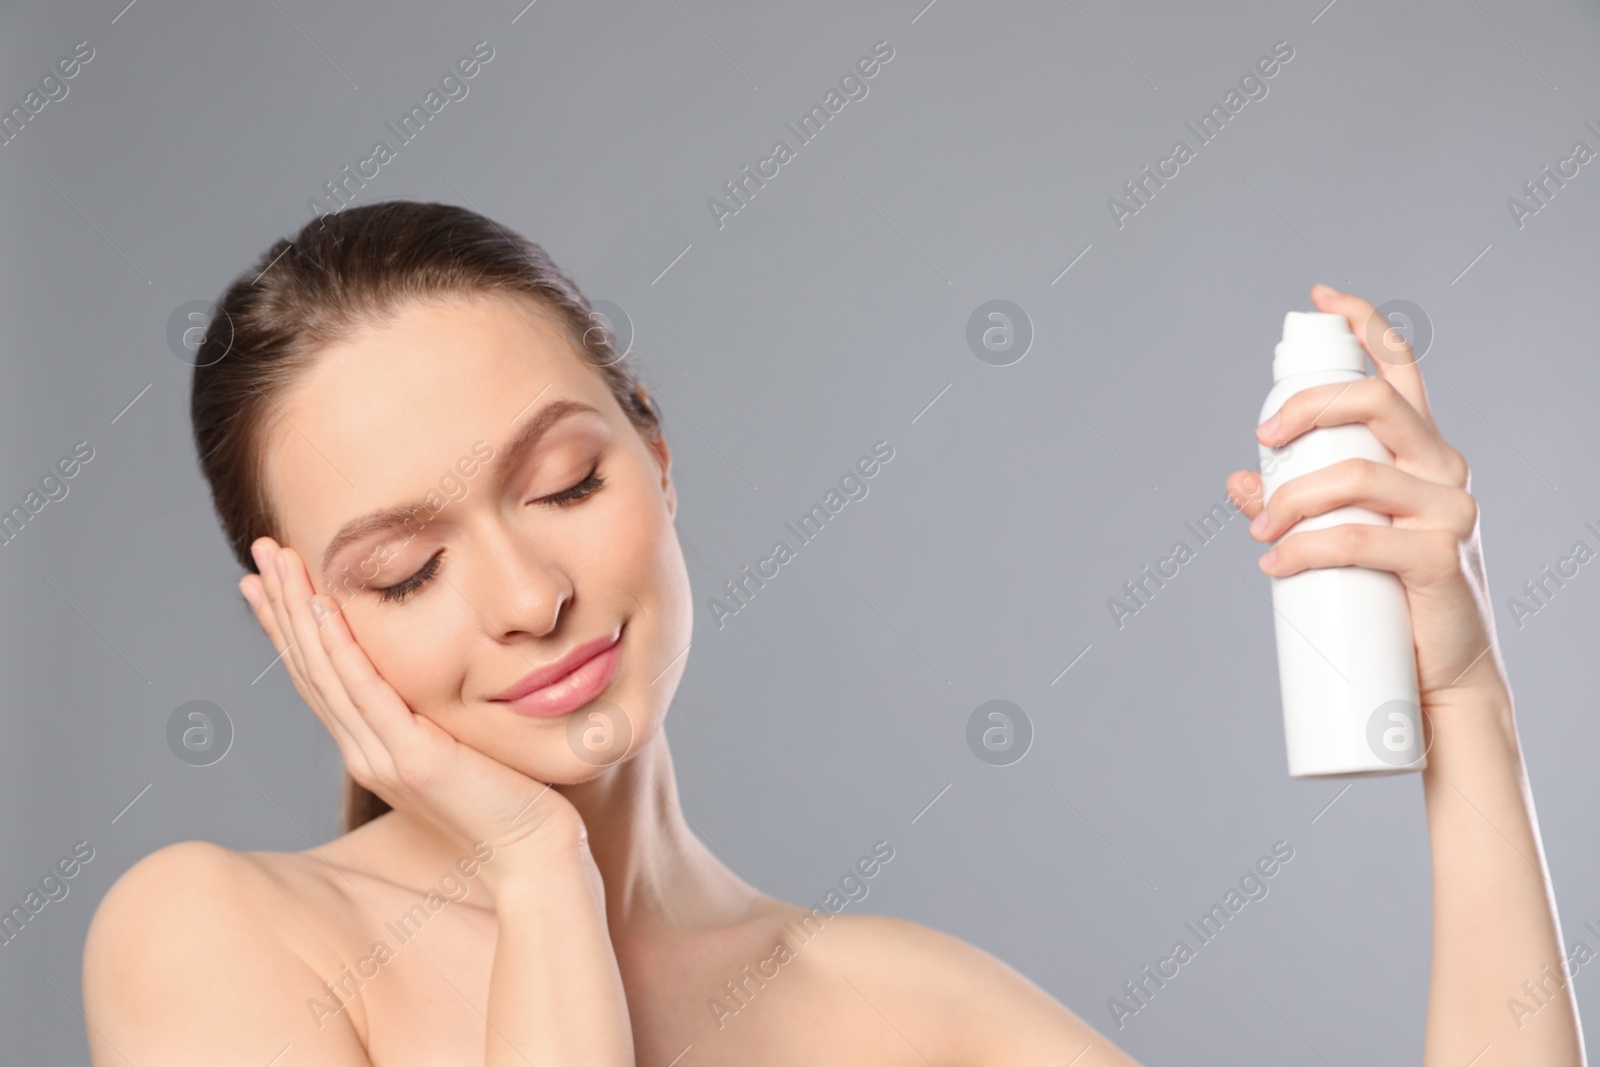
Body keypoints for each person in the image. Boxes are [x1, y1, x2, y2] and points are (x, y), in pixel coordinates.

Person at [79, 201, 1584, 1065]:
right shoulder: (218, 940)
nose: (527, 597)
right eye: (406, 570)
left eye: (565, 483)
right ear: (302, 626)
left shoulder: (898, 1006)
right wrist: (540, 883)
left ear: (657, 458)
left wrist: (1461, 695)